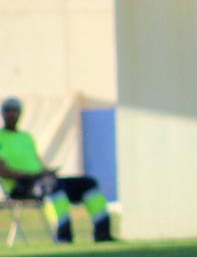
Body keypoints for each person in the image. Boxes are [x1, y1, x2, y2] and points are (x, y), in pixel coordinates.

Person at [0, 98, 113, 243]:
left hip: (41, 180)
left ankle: (103, 234)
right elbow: (2, 171)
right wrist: (31, 175)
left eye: (15, 110)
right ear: (2, 113)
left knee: (88, 183)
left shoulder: (26, 137)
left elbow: (37, 164)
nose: (11, 114)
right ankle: (63, 236)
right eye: (8, 110)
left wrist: (48, 171)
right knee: (53, 187)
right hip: (20, 186)